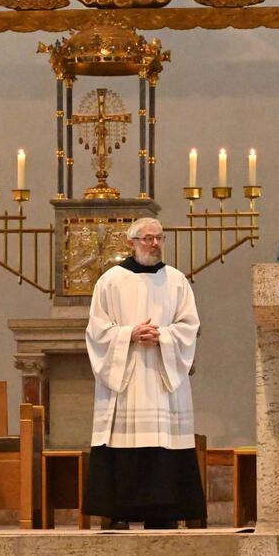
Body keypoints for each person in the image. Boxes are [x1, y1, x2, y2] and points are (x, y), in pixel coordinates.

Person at [84, 217, 206, 530]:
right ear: (131, 243)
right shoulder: (111, 280)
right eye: (147, 238)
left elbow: (189, 326)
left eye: (159, 238)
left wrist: (163, 336)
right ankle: (119, 512)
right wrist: (128, 334)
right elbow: (97, 330)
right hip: (128, 378)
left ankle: (163, 514)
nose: (154, 244)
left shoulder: (176, 280)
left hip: (163, 382)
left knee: (165, 443)